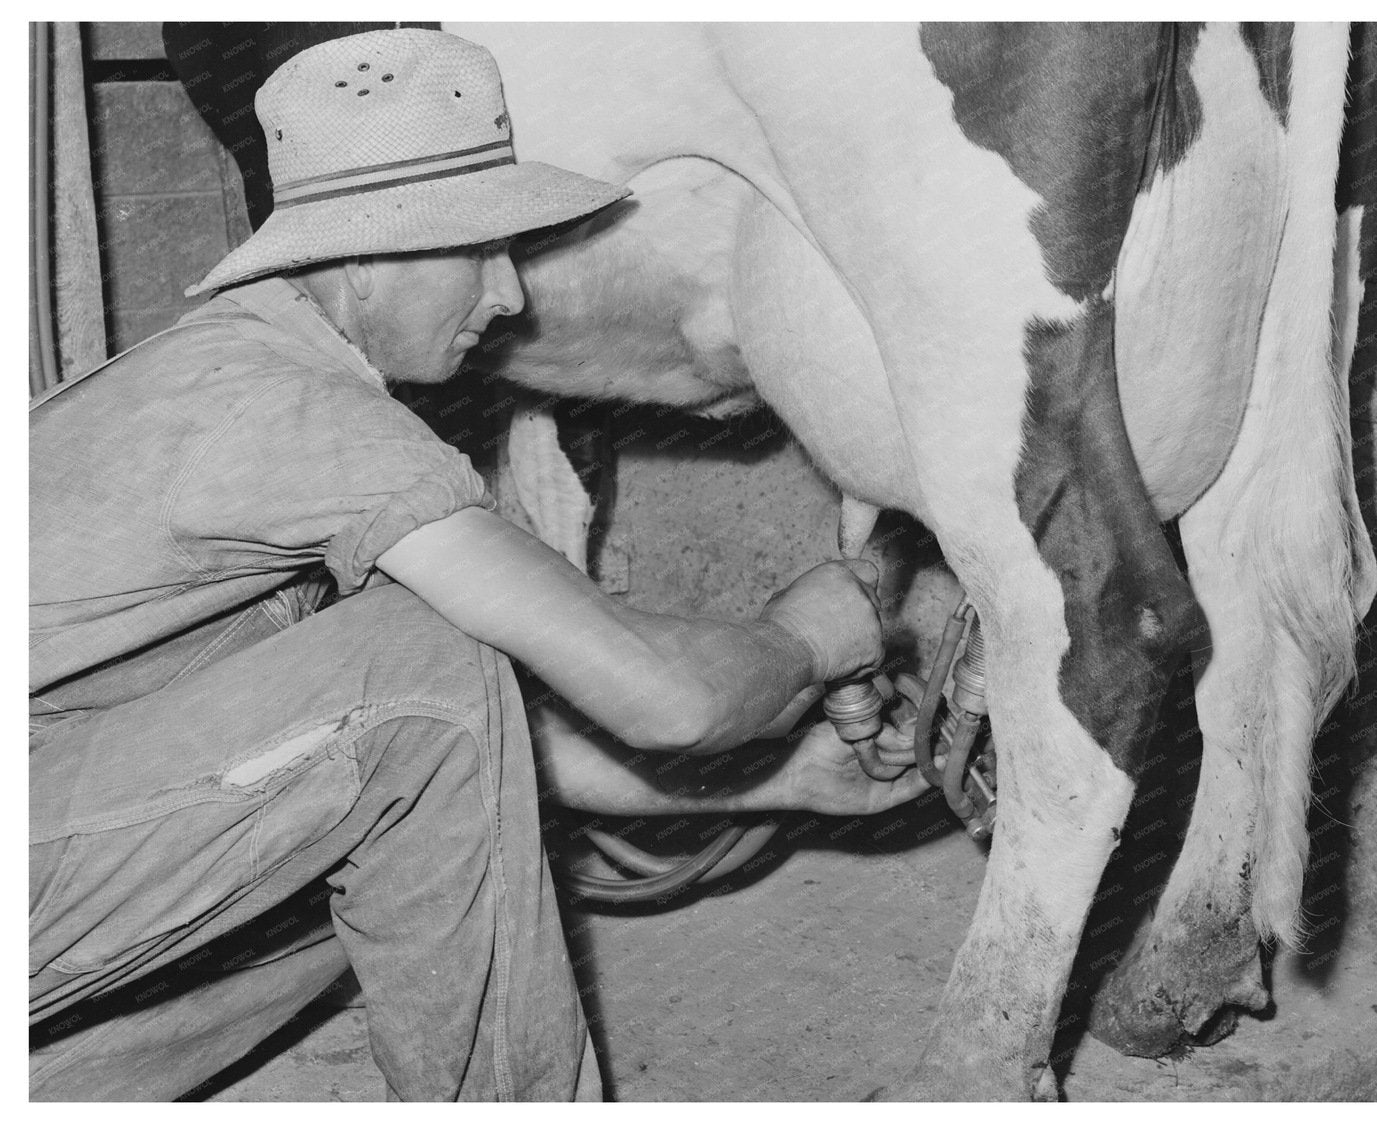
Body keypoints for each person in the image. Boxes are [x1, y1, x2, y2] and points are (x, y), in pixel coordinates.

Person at [29, 29, 925, 1101]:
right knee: (418, 660)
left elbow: (469, 747)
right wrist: (806, 637)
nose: (511, 293)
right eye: (478, 249)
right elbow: (665, 700)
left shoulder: (229, 367)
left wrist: (783, 780)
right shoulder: (310, 418)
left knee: (390, 850)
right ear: (361, 259)